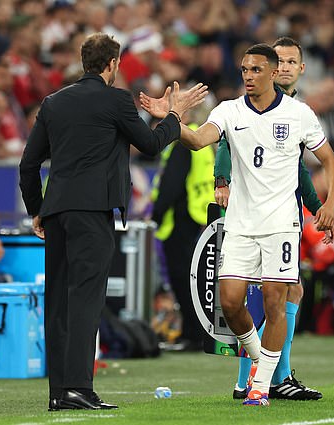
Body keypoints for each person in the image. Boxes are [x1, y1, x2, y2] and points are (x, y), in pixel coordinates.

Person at [140, 43, 334, 407]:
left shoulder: (298, 114)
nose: (248, 76)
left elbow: (330, 162)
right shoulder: (229, 110)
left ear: (272, 72)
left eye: (255, 70)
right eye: (244, 70)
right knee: (230, 303)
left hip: (281, 224)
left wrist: (328, 205)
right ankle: (256, 360)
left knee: (275, 301)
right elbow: (200, 140)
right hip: (240, 224)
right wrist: (171, 119)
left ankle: (261, 386)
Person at [18, 32, 207, 411]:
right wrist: (173, 115)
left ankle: (59, 391)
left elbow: (28, 164)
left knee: (58, 304)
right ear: (112, 65)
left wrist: (38, 209)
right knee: (86, 302)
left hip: (57, 214)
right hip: (93, 214)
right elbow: (151, 145)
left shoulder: (53, 102)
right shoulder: (116, 99)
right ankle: (79, 389)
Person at [213, 37, 326, 401]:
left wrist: (315, 205)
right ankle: (262, 376)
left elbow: (301, 170)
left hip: (285, 214)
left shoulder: (296, 111)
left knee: (285, 293)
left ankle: (269, 375)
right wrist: (222, 179)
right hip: (258, 216)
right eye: (283, 61)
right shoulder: (253, 106)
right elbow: (224, 143)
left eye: (293, 61)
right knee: (267, 296)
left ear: (299, 69)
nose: (288, 67)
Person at [151, 120, 216, 351]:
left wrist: (157, 214)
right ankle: (195, 330)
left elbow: (171, 184)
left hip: (180, 216)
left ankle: (193, 331)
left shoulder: (182, 144)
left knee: (182, 276)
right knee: (192, 276)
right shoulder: (200, 140)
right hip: (197, 215)